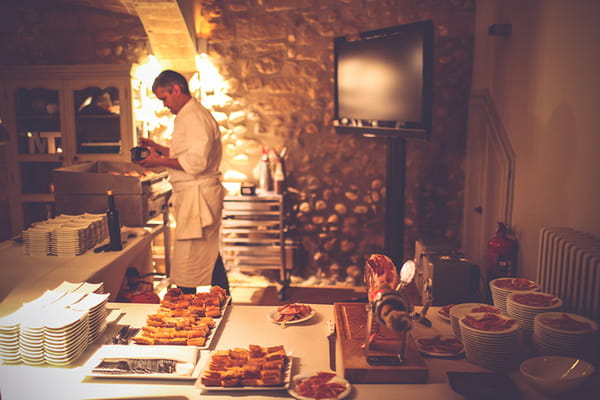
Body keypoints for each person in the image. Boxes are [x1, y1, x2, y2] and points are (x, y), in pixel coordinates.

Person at [136, 70, 229, 295]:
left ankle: (188, 308)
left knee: (192, 260)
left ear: (176, 90)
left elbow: (197, 162)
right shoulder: (189, 115)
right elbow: (188, 154)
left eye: (164, 98)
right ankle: (221, 300)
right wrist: (160, 149)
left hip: (198, 197)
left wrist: (159, 160)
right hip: (194, 196)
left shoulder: (195, 116)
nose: (164, 105)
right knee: (206, 256)